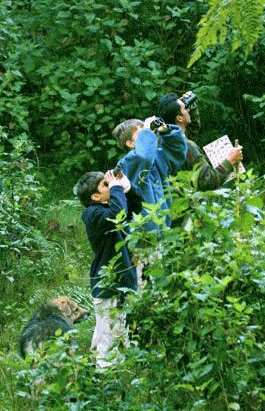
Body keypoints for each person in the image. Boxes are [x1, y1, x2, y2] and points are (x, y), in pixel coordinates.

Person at [74, 169, 137, 368]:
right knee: (109, 336)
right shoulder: (92, 215)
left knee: (111, 330)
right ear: (95, 196)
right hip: (107, 285)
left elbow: (135, 208)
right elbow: (119, 214)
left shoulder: (107, 207)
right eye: (105, 185)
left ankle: (99, 366)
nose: (110, 186)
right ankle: (104, 374)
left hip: (119, 282)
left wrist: (126, 187)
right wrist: (117, 189)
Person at [112, 115, 187, 232]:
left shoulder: (156, 157)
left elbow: (177, 153)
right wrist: (147, 131)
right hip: (142, 232)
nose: (149, 134)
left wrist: (166, 131)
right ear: (130, 143)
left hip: (165, 226)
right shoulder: (126, 164)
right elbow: (143, 157)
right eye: (142, 133)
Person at [156, 92, 243, 191]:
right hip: (189, 203)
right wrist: (230, 160)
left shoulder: (162, 140)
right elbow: (208, 181)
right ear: (179, 118)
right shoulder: (187, 146)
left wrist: (189, 105)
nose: (188, 109)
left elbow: (190, 132)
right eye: (185, 108)